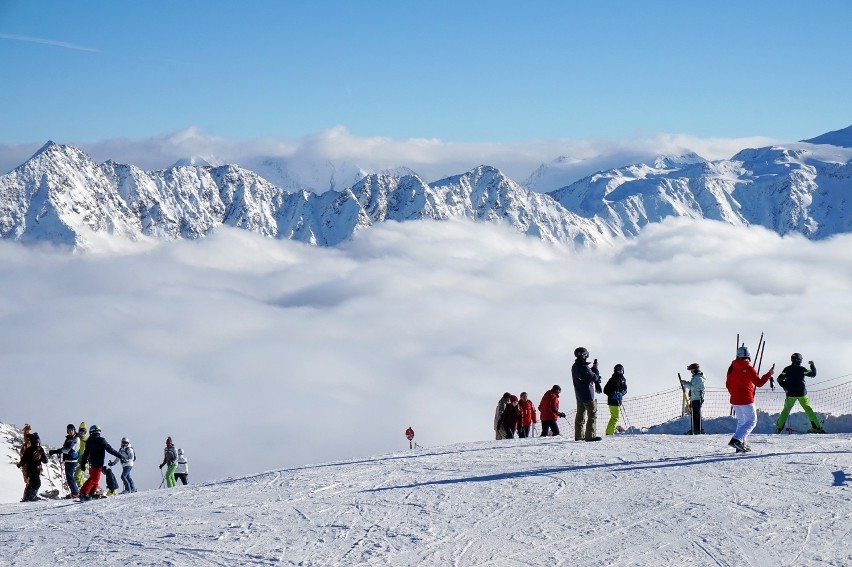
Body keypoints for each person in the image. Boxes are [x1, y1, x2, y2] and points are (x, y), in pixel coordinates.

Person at [726, 345, 774, 452]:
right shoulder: (748, 368)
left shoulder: (731, 368)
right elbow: (759, 383)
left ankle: (741, 444)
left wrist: (734, 394)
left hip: (735, 399)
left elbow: (728, 384)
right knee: (752, 421)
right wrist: (769, 374)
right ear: (748, 356)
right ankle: (736, 440)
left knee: (741, 421)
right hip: (746, 399)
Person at [775, 353, 825, 433]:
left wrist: (785, 386)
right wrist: (812, 365)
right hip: (802, 393)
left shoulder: (787, 369)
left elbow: (779, 379)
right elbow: (813, 374)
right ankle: (817, 427)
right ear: (800, 360)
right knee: (808, 409)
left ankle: (779, 428)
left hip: (790, 393)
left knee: (786, 410)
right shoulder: (802, 369)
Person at [78, 424, 122, 501]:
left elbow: (85, 454)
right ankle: (83, 493)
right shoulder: (101, 440)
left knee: (95, 479)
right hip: (98, 464)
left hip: (91, 464)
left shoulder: (89, 441)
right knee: (94, 479)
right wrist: (120, 456)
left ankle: (91, 494)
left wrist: (83, 464)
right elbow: (110, 450)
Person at [572, 347, 603, 442]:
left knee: (580, 415)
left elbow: (588, 374)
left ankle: (579, 435)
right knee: (592, 414)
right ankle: (590, 436)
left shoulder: (575, 366)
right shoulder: (583, 367)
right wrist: (596, 369)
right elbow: (593, 377)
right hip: (587, 394)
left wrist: (592, 369)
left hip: (579, 395)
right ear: (583, 355)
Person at [49, 424, 81, 498]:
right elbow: (65, 448)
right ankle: (74, 492)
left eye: (71, 430)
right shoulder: (68, 438)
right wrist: (59, 451)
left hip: (72, 460)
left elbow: (70, 450)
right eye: (69, 430)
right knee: (69, 477)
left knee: (70, 477)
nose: (70, 431)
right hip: (68, 460)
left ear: (74, 430)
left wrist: (58, 451)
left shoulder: (76, 438)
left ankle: (75, 492)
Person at [17, 431, 48, 502]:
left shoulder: (40, 449)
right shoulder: (29, 450)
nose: (37, 443)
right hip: (31, 469)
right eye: (35, 442)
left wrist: (45, 460)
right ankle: (31, 496)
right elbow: (24, 458)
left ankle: (27, 497)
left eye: (38, 442)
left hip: (38, 469)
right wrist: (20, 464)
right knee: (37, 483)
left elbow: (44, 459)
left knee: (32, 483)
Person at [681, 363, 706, 434]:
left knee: (696, 414)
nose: (691, 371)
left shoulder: (698, 378)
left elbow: (694, 387)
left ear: (694, 369)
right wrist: (686, 383)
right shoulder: (696, 377)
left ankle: (697, 429)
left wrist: (685, 384)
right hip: (694, 397)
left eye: (691, 370)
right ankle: (695, 429)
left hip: (697, 397)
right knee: (694, 414)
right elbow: (693, 385)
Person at [603, 364, 628, 435]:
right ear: (615, 370)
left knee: (615, 416)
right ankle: (609, 433)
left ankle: (612, 430)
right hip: (612, 401)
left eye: (621, 370)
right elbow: (605, 390)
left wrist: (621, 393)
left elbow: (625, 389)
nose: (620, 371)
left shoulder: (623, 379)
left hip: (619, 400)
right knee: (615, 417)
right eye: (619, 370)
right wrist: (612, 394)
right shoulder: (612, 379)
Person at [74, 422, 89, 490]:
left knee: (77, 475)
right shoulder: (77, 438)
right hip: (80, 460)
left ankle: (81, 489)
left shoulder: (87, 440)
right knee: (81, 476)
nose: (81, 433)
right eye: (80, 431)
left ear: (86, 431)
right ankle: (84, 490)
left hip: (85, 460)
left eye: (83, 431)